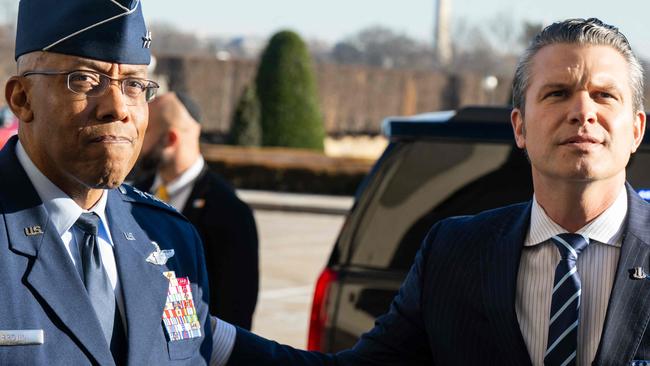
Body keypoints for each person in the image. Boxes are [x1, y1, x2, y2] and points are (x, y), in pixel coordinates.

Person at [211, 18, 650, 366]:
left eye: (605, 95)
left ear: (636, 129)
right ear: (520, 127)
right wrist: (209, 336)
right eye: (557, 93)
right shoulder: (454, 252)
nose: (582, 111)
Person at [0, 1, 227, 364]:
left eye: (134, 84)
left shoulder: (167, 237)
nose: (118, 107)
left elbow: (210, 344)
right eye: (85, 80)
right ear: (22, 99)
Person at [133, 91, 259, 330]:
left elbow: (234, 317)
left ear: (170, 140)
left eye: (145, 131)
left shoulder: (229, 213)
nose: (135, 140)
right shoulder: (132, 196)